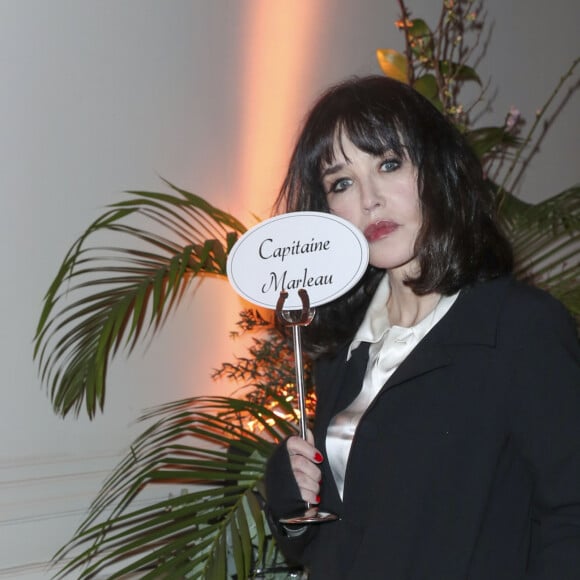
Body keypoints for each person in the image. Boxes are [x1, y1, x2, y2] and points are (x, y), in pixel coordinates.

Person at [264, 75, 580, 579]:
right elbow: (338, 540)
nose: (369, 199)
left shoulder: (518, 327)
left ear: (435, 169)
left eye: (389, 164)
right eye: (341, 182)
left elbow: (570, 516)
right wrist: (290, 497)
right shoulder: (342, 352)